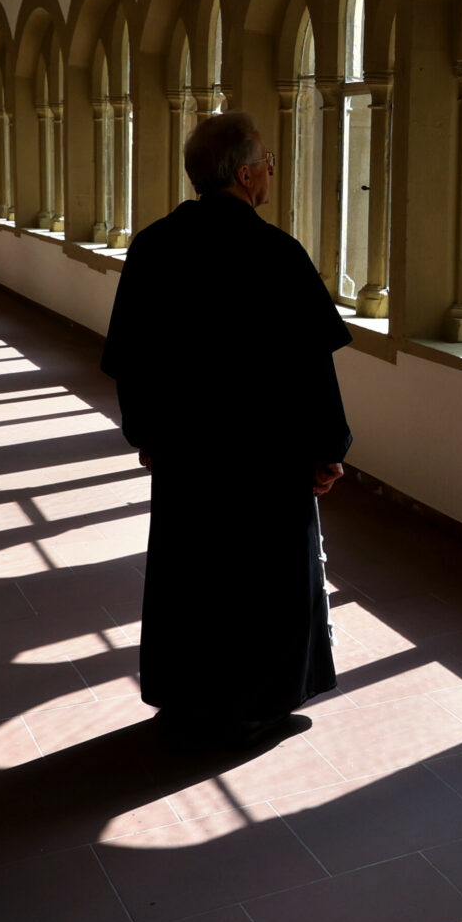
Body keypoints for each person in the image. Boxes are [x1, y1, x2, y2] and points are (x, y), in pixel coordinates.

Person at [100, 112, 351, 750]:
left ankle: (189, 696)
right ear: (243, 173)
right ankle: (257, 704)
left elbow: (130, 355)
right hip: (266, 458)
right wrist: (328, 450)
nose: (271, 171)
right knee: (265, 580)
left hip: (188, 452)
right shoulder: (276, 254)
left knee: (193, 573)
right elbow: (310, 366)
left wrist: (147, 435)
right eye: (266, 160)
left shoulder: (154, 246)